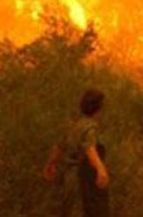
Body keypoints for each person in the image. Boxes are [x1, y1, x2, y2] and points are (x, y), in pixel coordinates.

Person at [44, 88, 111, 217]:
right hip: (83, 179)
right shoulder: (90, 127)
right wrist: (100, 168)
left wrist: (50, 164)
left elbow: (59, 147)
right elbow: (89, 148)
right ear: (99, 108)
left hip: (67, 177)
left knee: (67, 210)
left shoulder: (73, 126)